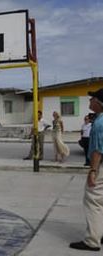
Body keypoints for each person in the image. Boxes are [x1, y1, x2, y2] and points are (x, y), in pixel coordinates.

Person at [69, 88, 103, 252]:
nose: (89, 101)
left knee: (93, 201)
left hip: (101, 167)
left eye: (92, 98)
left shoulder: (99, 122)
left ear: (98, 102)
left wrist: (93, 171)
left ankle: (92, 241)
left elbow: (98, 149)